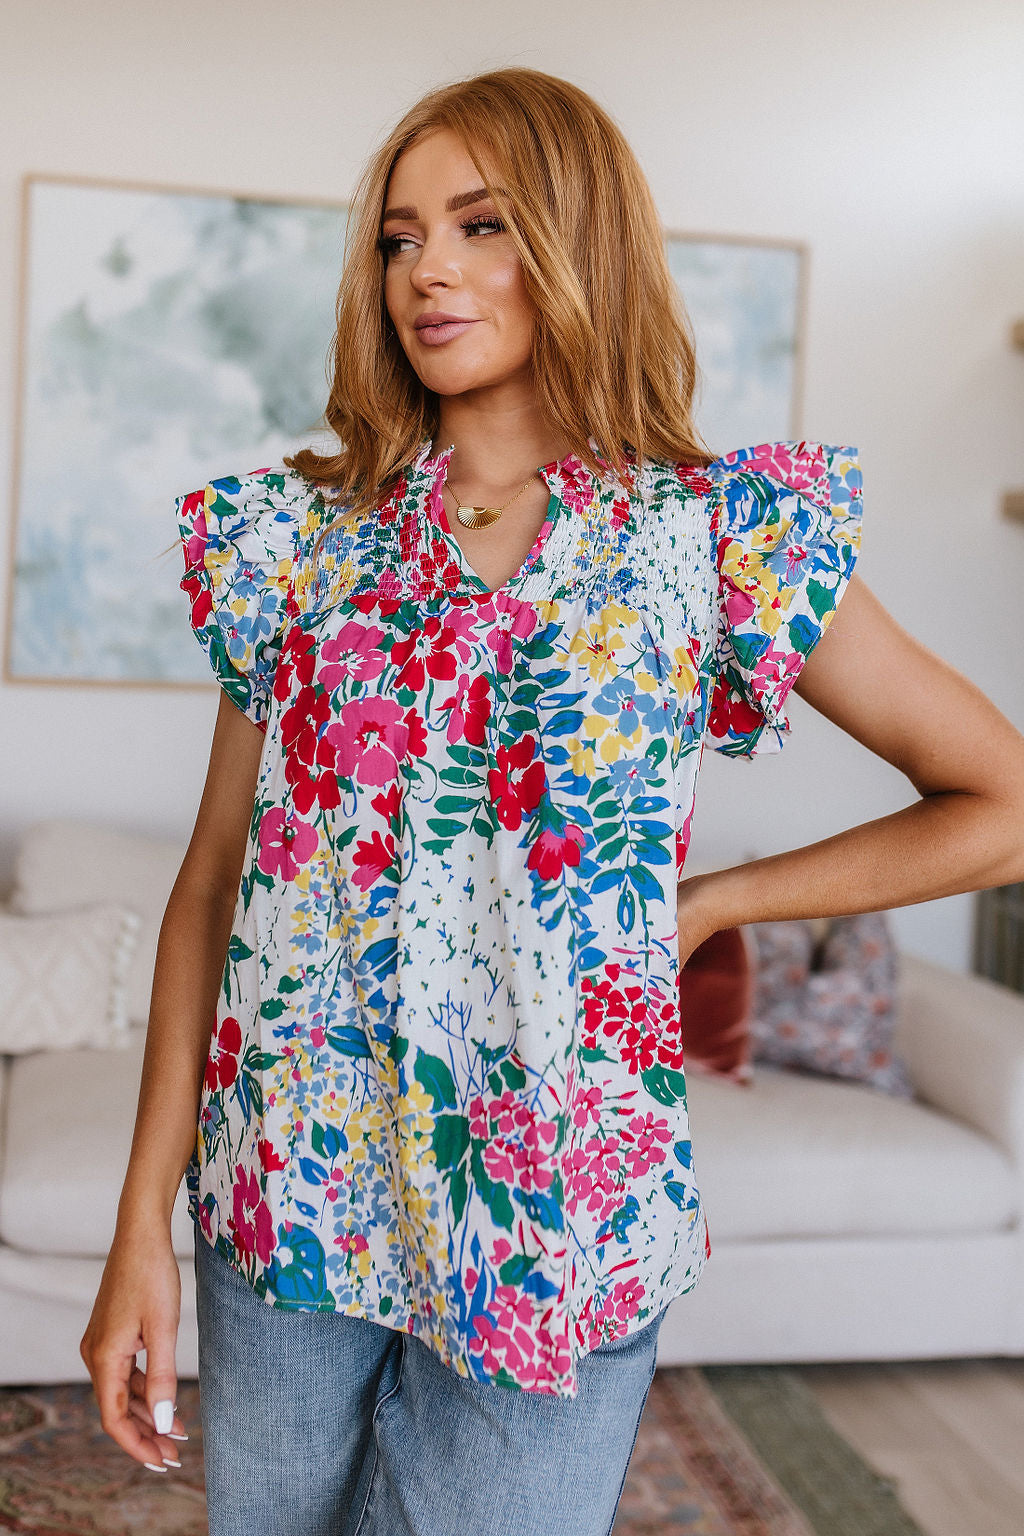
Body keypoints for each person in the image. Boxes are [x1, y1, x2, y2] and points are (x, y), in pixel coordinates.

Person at [80, 65, 1024, 1536]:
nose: (428, 272)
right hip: (289, 1191)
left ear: (579, 244)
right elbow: (212, 882)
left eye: (481, 224)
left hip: (554, 1222)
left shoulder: (713, 541)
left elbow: (1000, 798)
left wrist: (718, 900)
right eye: (400, 238)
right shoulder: (301, 548)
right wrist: (139, 1219)